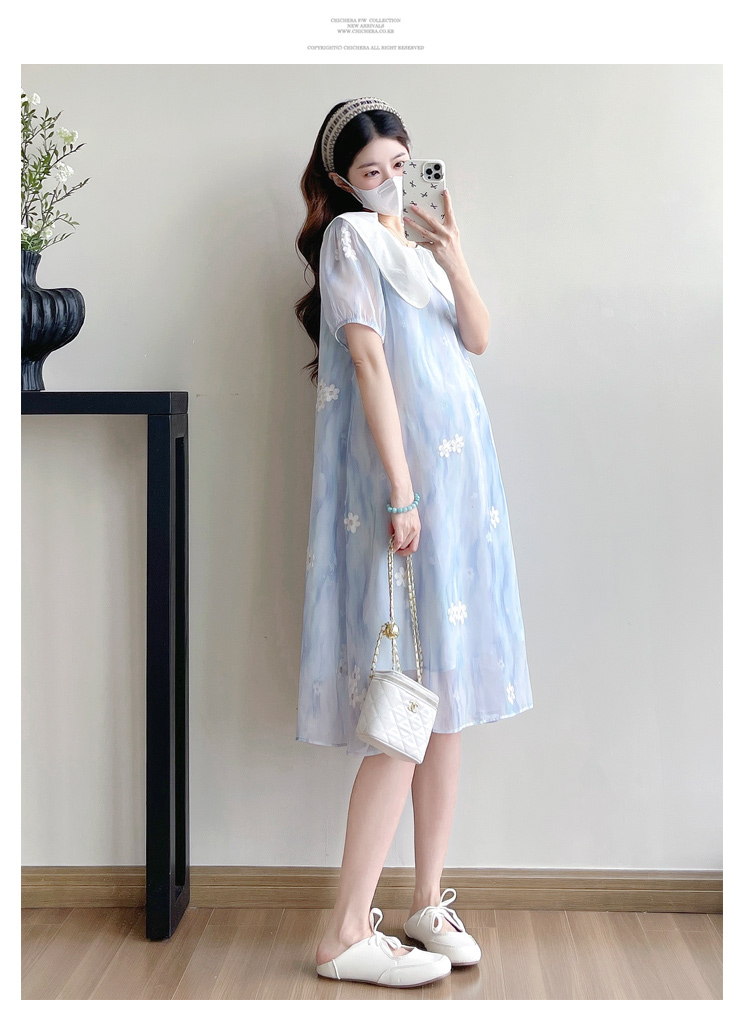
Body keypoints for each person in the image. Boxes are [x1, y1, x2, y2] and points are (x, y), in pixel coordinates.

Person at [294, 97, 534, 988]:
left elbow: (477, 337)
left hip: (465, 493)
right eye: (371, 172)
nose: (390, 183)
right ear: (340, 181)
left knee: (445, 701)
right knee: (404, 705)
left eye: (399, 164)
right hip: (406, 493)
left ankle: (426, 900)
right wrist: (401, 489)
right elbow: (367, 361)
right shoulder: (350, 239)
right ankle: (343, 931)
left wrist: (453, 253)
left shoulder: (418, 249)